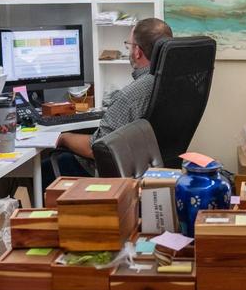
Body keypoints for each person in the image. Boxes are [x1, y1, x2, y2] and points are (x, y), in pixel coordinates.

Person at [45, 17, 173, 178]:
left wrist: (64, 137)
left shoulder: (129, 97)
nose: (129, 50)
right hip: (156, 166)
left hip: (113, 173)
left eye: (129, 45)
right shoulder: (174, 80)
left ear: (137, 51)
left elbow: (97, 149)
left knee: (46, 166)